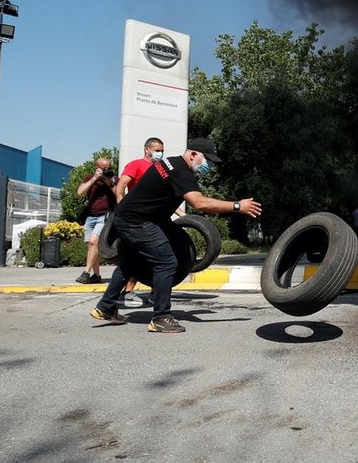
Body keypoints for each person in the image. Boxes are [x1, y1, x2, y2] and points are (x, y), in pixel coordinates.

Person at [89, 138, 262, 333]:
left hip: (129, 217)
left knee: (129, 263)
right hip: (138, 222)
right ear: (193, 154)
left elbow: (163, 195)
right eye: (207, 160)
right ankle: (161, 317)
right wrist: (237, 206)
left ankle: (105, 307)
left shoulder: (171, 163)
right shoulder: (180, 171)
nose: (209, 165)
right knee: (166, 263)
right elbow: (200, 203)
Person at [113, 137, 167, 307]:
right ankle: (127, 292)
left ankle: (154, 293)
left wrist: (181, 214)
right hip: (135, 219)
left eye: (162, 150)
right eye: (157, 150)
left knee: (158, 257)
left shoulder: (160, 169)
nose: (160, 153)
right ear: (147, 149)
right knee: (137, 256)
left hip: (153, 218)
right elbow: (121, 186)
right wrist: (122, 208)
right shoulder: (136, 164)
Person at [75, 157, 118, 284]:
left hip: (105, 216)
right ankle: (97, 275)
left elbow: (118, 193)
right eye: (104, 168)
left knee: (94, 242)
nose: (107, 170)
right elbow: (80, 192)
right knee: (91, 246)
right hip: (91, 216)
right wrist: (94, 178)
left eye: (109, 167)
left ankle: (86, 272)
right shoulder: (89, 178)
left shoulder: (114, 178)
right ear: (97, 168)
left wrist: (108, 181)